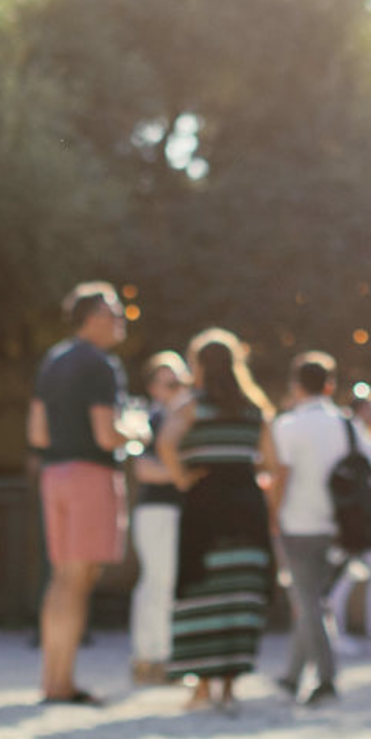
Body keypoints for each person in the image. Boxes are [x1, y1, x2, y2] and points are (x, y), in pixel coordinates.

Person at [160, 329, 281, 715]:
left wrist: (182, 478)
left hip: (205, 505)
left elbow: (165, 443)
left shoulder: (192, 407)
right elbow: (273, 463)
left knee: (202, 587)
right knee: (238, 590)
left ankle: (201, 685)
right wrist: (271, 509)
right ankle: (228, 686)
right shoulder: (254, 410)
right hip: (245, 506)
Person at [27, 281, 135, 705]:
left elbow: (37, 432)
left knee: (61, 579)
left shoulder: (53, 360)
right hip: (90, 475)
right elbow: (106, 434)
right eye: (114, 313)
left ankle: (52, 678)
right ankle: (63, 683)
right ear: (91, 318)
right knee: (78, 579)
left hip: (54, 474)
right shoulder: (101, 364)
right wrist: (137, 433)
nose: (121, 320)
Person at [272, 351, 360, 706]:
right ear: (330, 385)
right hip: (340, 525)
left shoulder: (288, 426)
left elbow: (281, 475)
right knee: (312, 600)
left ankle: (326, 678)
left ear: (296, 385)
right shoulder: (348, 425)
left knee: (308, 603)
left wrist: (272, 514)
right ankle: (292, 676)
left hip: (299, 522)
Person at [129, 351, 191, 685]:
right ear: (153, 387)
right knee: (157, 582)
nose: (176, 388)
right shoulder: (149, 420)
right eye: (169, 383)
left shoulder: (185, 419)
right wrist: (184, 476)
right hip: (156, 510)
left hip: (181, 509)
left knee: (171, 583)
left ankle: (164, 655)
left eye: (180, 382)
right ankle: (152, 656)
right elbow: (143, 469)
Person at [327, 383, 371, 653]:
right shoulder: (351, 431)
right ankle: (337, 633)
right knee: (345, 577)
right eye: (369, 405)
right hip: (357, 517)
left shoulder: (367, 434)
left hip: (366, 516)